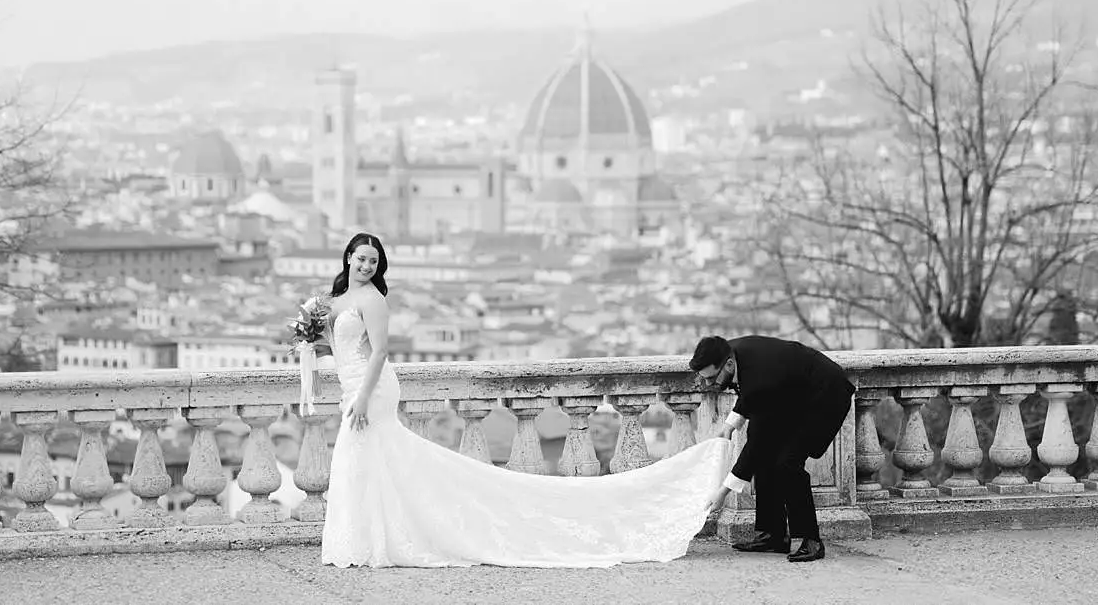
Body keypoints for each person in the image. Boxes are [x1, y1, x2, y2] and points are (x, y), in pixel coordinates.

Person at [319, 231, 734, 569]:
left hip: (369, 391)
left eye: (373, 261)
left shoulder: (373, 300)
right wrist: (308, 345)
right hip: (353, 386)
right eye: (361, 258)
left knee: (365, 453)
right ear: (348, 257)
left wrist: (361, 397)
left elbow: (379, 352)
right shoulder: (339, 299)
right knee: (366, 459)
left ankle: (370, 539)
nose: (366, 265)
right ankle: (365, 537)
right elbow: (340, 346)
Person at [688, 334, 854, 563]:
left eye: (712, 378)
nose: (708, 384)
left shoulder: (761, 379)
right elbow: (749, 393)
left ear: (728, 364)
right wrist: (729, 427)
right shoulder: (729, 351)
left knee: (788, 463)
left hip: (824, 397)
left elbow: (755, 446)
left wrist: (723, 492)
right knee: (765, 455)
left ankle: (811, 540)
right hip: (790, 394)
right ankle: (773, 535)